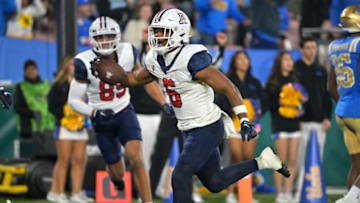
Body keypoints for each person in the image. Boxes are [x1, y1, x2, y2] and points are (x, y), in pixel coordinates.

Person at [93, 8, 290, 203]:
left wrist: (244, 119)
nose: (158, 36)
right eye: (157, 31)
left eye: (163, 31)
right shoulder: (155, 58)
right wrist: (113, 75)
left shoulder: (191, 59)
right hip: (188, 127)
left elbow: (228, 87)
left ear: (179, 32)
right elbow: (134, 79)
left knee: (180, 175)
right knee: (214, 182)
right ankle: (264, 161)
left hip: (207, 126)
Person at [68, 16, 166, 203]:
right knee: (118, 172)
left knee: (137, 158)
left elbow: (144, 80)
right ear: (92, 39)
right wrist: (95, 112)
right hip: (101, 118)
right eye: (100, 37)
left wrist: (163, 103)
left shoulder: (128, 51)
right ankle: (116, 179)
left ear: (117, 36)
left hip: (123, 111)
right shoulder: (83, 61)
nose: (105, 41)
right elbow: (73, 101)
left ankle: (147, 201)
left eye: (108, 36)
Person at [216, 49, 269, 203]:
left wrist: (257, 112)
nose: (244, 61)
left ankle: (246, 195)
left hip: (252, 125)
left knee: (248, 159)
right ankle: (231, 193)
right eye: (240, 59)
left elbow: (265, 101)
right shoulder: (228, 80)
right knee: (236, 156)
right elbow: (221, 100)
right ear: (234, 62)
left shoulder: (255, 82)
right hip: (233, 125)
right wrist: (231, 111)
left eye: (246, 59)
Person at [46, 56, 93, 203]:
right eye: (72, 64)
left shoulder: (85, 85)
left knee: (79, 160)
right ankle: (58, 193)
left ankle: (76, 193)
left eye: (77, 65)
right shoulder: (58, 85)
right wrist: (66, 115)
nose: (75, 67)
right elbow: (51, 107)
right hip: (64, 127)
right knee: (63, 160)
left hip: (81, 127)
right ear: (66, 67)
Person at [328, 5, 360, 203]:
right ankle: (350, 199)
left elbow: (331, 86)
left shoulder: (334, 46)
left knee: (356, 165)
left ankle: (349, 197)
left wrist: (346, 105)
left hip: (343, 111)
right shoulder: (358, 44)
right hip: (358, 108)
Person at [294, 36, 333, 200]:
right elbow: (291, 95)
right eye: (308, 47)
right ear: (302, 49)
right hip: (301, 122)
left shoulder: (321, 70)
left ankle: (314, 190)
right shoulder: (295, 69)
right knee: (299, 159)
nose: (312, 51)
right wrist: (296, 118)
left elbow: (326, 96)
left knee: (317, 157)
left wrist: (327, 117)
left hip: (318, 122)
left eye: (314, 47)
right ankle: (297, 192)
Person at [266, 52, 305, 203]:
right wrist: (281, 100)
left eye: (290, 59)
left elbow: (302, 103)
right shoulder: (273, 83)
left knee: (293, 161)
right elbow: (270, 105)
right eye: (286, 59)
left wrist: (299, 107)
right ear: (279, 62)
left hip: (294, 125)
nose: (289, 62)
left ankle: (288, 193)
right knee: (280, 161)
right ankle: (279, 194)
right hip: (280, 125)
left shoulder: (296, 81)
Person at [14, 59, 54, 139]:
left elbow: (53, 104)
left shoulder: (46, 85)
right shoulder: (20, 86)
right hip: (29, 130)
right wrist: (32, 113)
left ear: (37, 70)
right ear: (25, 72)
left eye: (33, 69)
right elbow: (17, 107)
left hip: (48, 128)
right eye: (28, 69)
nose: (31, 71)